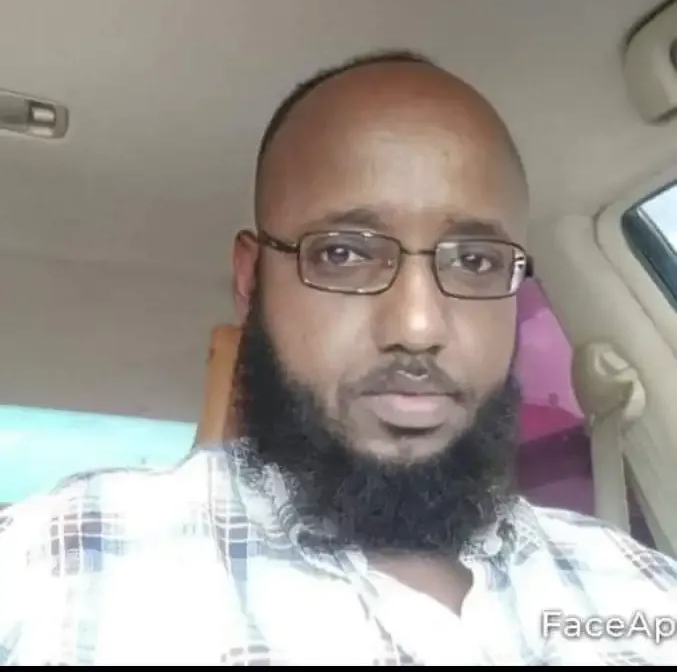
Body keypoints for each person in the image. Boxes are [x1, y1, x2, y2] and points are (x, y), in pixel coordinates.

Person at [1, 51, 676, 666]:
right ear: (251, 279)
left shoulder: (642, 589)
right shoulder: (53, 568)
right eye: (343, 253)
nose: (417, 326)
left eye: (474, 261)